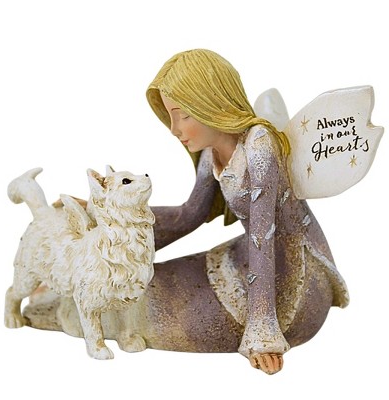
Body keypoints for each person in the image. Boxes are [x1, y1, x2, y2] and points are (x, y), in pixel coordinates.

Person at [146, 49, 349, 374]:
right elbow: (189, 214)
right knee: (157, 284)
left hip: (295, 275)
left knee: (173, 311)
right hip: (251, 258)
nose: (173, 128)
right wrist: (118, 217)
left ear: (211, 102)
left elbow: (262, 237)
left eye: (182, 115)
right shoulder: (210, 155)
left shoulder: (259, 145)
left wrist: (262, 332)